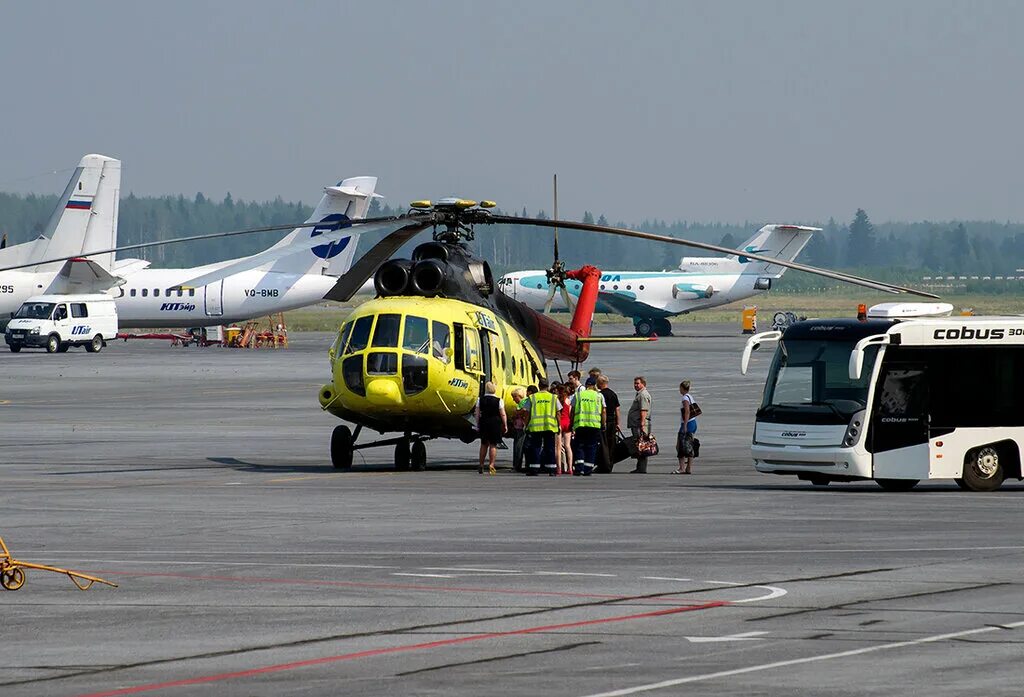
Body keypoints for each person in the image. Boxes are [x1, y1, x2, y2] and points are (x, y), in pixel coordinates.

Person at [571, 377, 606, 475]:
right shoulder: (599, 396)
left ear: (586, 385)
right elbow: (603, 411)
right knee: (591, 447)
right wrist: (603, 424)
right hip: (594, 425)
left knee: (579, 446)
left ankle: (579, 469)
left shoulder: (578, 395)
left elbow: (573, 410)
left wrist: (572, 423)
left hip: (580, 425)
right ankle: (588, 469)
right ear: (594, 386)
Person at [524, 378, 559, 475]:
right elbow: (558, 412)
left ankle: (534, 469)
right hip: (550, 426)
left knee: (535, 447)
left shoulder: (532, 397)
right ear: (547, 386)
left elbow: (527, 413)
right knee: (550, 448)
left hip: (536, 427)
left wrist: (526, 425)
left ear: (539, 386)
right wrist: (558, 425)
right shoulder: (553, 397)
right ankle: (552, 470)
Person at [475, 381, 506, 475]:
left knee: (484, 444)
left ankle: (481, 464)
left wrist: (477, 424)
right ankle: (491, 465)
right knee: (493, 444)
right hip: (495, 423)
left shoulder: (480, 399)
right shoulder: (499, 400)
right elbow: (503, 414)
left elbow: (477, 413)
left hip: (484, 422)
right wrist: (505, 424)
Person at [595, 375, 621, 473]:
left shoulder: (600, 395)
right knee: (611, 444)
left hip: (604, 422)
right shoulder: (613, 394)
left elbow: (602, 410)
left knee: (603, 444)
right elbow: (617, 409)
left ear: (600, 383)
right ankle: (610, 464)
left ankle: (604, 465)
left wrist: (602, 423)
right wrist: (618, 423)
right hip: (612, 422)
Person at [627, 376, 652, 473]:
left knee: (642, 445)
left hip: (639, 424)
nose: (635, 385)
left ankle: (641, 468)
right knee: (639, 445)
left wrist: (642, 424)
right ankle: (640, 467)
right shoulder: (640, 394)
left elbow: (643, 410)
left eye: (637, 383)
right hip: (637, 424)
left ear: (643, 384)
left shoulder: (643, 395)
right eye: (635, 383)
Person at [673, 380, 698, 474]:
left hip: (688, 423)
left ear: (682, 388)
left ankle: (682, 468)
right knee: (689, 446)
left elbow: (687, 411)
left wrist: (685, 425)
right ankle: (688, 468)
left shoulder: (685, 398)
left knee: (680, 446)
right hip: (693, 422)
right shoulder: (690, 396)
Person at [553, 383, 574, 474]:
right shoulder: (568, 401)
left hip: (559, 423)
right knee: (568, 446)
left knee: (558, 447)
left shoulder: (556, 400)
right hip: (567, 422)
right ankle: (570, 468)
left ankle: (559, 468)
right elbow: (570, 413)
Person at [510, 387, 529, 471]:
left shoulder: (523, 402)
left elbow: (523, 411)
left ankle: (517, 465)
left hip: (521, 427)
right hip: (519, 427)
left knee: (518, 447)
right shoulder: (522, 402)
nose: (513, 400)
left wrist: (516, 414)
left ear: (519, 396)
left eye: (514, 397)